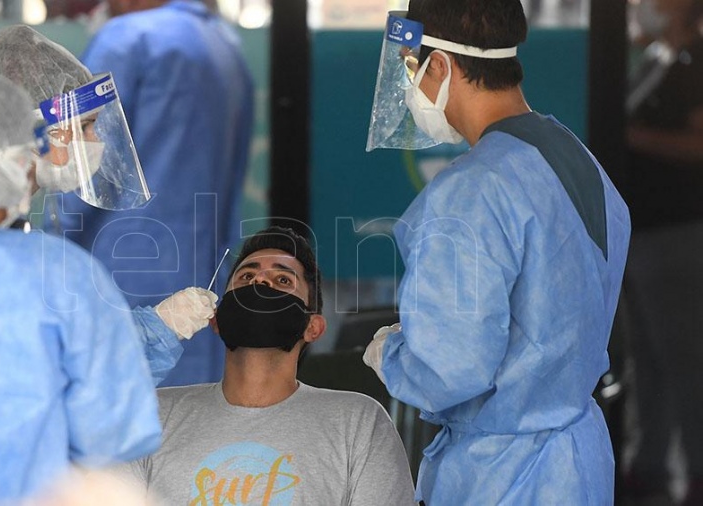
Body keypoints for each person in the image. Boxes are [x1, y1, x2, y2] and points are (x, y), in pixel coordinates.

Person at [360, 1, 631, 504]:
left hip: (501, 475)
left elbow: (451, 368)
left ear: (439, 66)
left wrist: (394, 356)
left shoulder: (472, 190)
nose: (411, 86)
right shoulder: (573, 155)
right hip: (577, 462)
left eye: (412, 68)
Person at [0, 72, 162, 502]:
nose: (95, 140)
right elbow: (112, 434)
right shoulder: (58, 273)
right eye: (85, 126)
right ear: (23, 156)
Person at [0, 24, 218, 384]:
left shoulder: (9, 222)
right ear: (37, 134)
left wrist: (157, 327)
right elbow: (58, 361)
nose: (97, 140)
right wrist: (157, 330)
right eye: (86, 126)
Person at [119, 226, 417, 505]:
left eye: (283, 280)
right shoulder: (154, 414)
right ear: (216, 319)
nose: (260, 282)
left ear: (312, 327)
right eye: (246, 276)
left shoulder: (358, 421)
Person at [58, 0, 255, 386]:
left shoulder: (125, 40)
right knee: (191, 415)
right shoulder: (224, 45)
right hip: (203, 288)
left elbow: (76, 164)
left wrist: (40, 250)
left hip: (121, 277)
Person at [622, 0, 703, 503]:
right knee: (646, 360)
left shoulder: (696, 62)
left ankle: (696, 471)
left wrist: (632, 136)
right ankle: (648, 465)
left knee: (685, 361)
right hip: (638, 235)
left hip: (676, 235)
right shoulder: (656, 59)